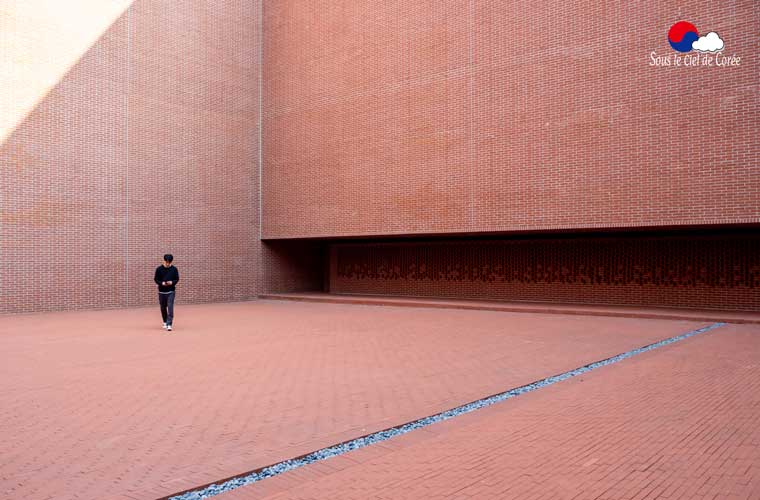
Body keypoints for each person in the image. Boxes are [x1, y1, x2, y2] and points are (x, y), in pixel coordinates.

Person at [154, 254, 180, 332]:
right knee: (163, 307)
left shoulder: (174, 269)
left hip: (171, 291)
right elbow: (156, 279)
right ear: (164, 261)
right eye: (166, 262)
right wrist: (162, 283)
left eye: (169, 262)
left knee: (170, 307)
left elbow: (177, 279)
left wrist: (172, 282)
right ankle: (165, 321)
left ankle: (169, 324)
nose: (167, 263)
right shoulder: (159, 269)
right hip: (161, 291)